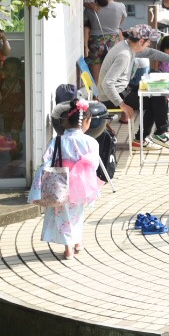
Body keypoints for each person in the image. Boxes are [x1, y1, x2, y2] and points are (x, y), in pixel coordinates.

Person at [28, 100, 105, 260]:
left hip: (60, 182)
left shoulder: (58, 140)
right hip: (81, 183)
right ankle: (77, 242)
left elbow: (47, 159)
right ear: (86, 121)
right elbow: (94, 164)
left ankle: (69, 248)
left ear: (67, 121)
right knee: (77, 213)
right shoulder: (91, 142)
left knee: (62, 214)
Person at [97, 25, 169, 151]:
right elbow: (107, 84)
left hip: (122, 89)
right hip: (110, 97)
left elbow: (151, 53)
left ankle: (145, 138)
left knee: (155, 94)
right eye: (148, 42)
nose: (149, 44)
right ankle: (157, 134)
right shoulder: (124, 55)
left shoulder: (128, 46)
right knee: (156, 97)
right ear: (140, 41)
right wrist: (122, 105)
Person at [83, 0, 126, 71]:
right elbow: (120, 23)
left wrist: (86, 4)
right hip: (113, 42)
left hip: (95, 43)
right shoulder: (120, 7)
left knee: (96, 79)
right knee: (112, 76)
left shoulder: (90, 8)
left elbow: (86, 25)